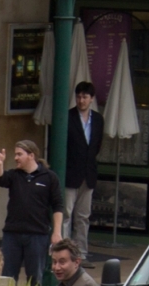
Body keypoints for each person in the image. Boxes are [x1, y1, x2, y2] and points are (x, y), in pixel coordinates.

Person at [0, 140, 63, 286]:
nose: (16, 158)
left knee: (35, 276)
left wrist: (57, 232)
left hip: (37, 234)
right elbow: (0, 179)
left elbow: (58, 206)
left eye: (19, 154)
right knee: (8, 275)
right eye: (15, 154)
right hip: (12, 233)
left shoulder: (49, 177)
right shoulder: (14, 175)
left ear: (31, 155)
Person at [65, 82, 104, 266]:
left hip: (88, 174)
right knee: (66, 214)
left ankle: (80, 254)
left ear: (92, 99)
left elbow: (96, 146)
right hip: (70, 173)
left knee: (82, 217)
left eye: (85, 97)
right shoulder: (67, 117)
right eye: (79, 97)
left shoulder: (98, 119)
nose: (81, 100)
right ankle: (63, 254)